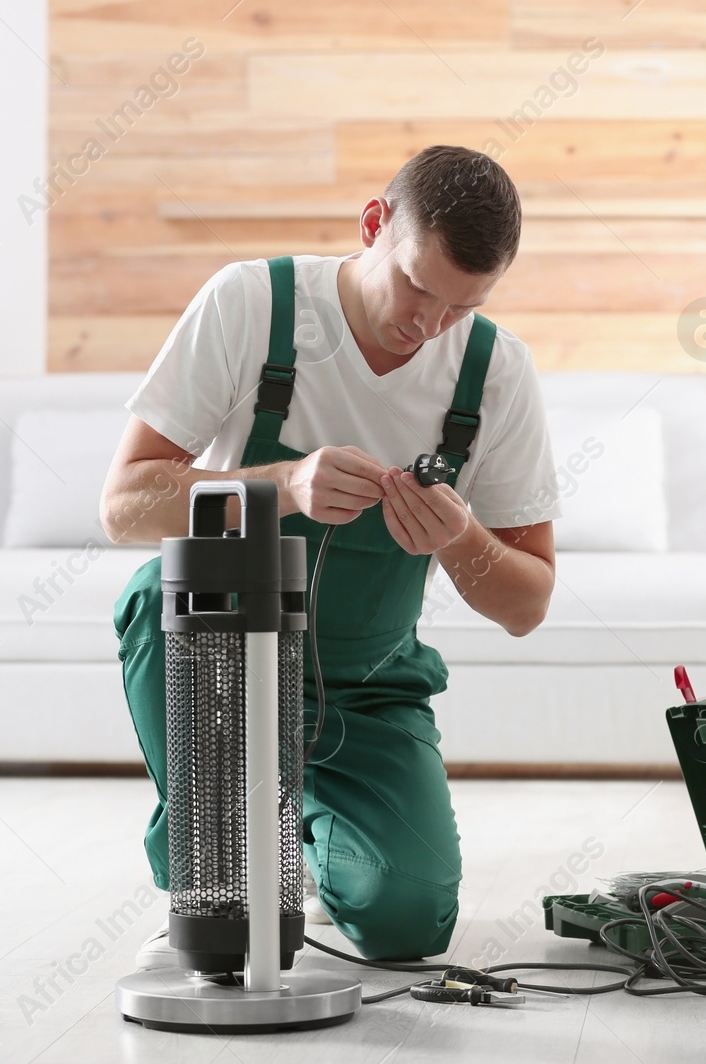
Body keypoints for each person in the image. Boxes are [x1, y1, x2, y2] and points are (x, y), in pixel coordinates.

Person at [101, 145, 560, 961]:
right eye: (417, 285)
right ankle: (234, 855)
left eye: (461, 306)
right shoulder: (253, 304)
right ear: (375, 223)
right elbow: (126, 504)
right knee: (153, 592)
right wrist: (281, 483)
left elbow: (527, 605)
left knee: (407, 920)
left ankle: (297, 828)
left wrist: (459, 541)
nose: (428, 325)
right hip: (227, 663)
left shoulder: (495, 371)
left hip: (369, 695)